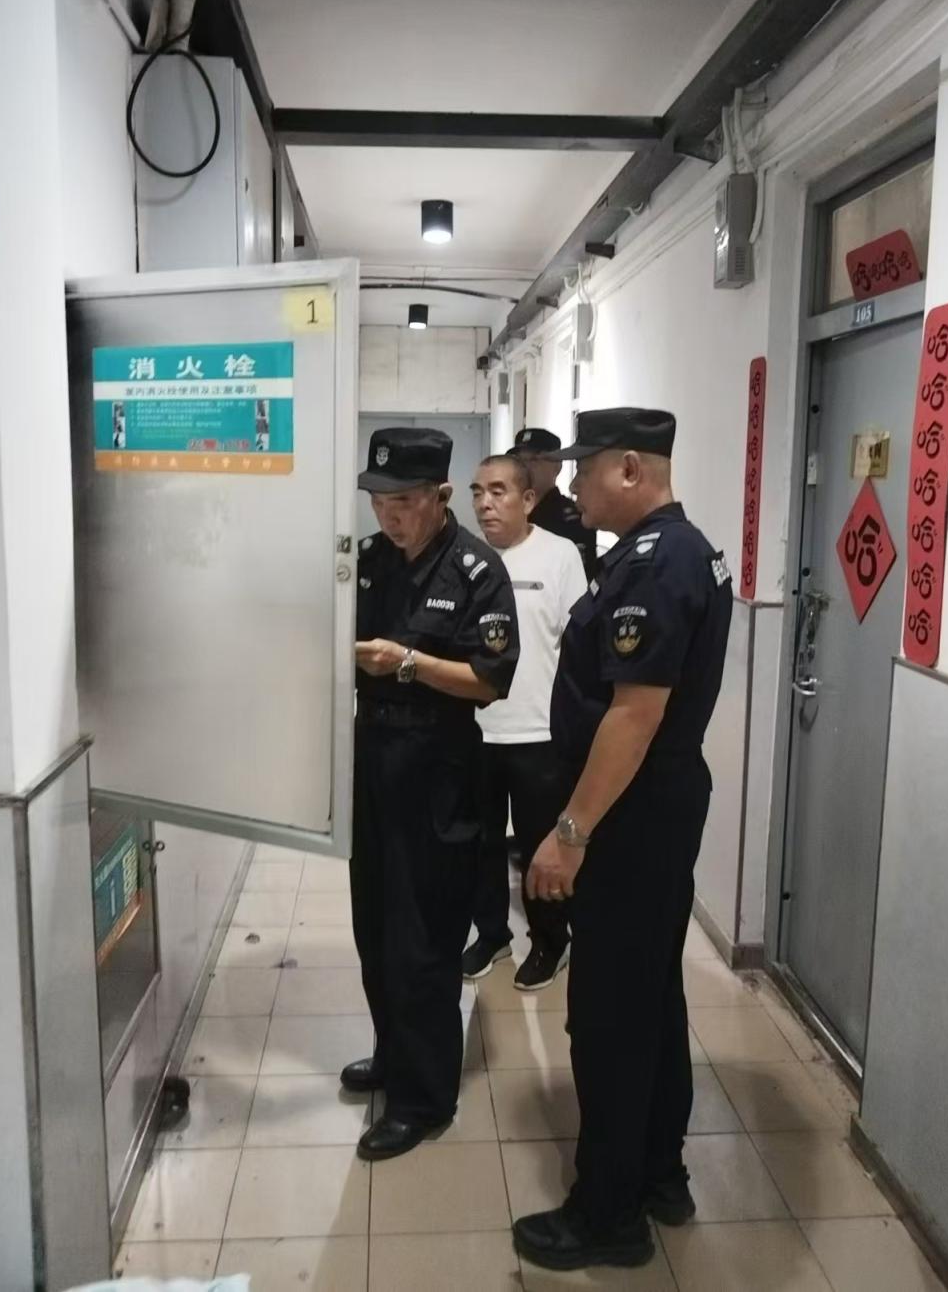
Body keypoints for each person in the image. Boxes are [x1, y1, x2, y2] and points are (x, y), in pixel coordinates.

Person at [511, 407, 733, 1272]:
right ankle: (660, 1172)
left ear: (632, 468)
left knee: (608, 1013)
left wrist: (569, 833)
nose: (571, 484)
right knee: (652, 997)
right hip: (654, 809)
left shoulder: (656, 562)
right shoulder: (675, 551)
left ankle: (608, 1213)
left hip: (629, 817)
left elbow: (633, 717)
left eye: (586, 467)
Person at [345, 426, 519, 1161]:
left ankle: (424, 1098)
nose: (390, 516)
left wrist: (408, 663)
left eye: (405, 502)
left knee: (424, 937)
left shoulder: (477, 569)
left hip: (440, 764)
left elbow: (490, 680)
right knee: (375, 925)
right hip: (372, 757)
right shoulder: (366, 562)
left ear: (442, 495)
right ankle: (394, 1054)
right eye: (379, 501)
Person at [462, 454, 587, 990]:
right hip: (477, 730)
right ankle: (491, 935)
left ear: (528, 499)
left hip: (540, 733)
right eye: (477, 492)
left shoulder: (560, 556)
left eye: (498, 491)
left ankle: (551, 941)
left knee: (541, 846)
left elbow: (579, 648)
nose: (485, 504)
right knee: (480, 842)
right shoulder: (466, 558)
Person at [510, 427, 598, 577]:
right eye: (520, 461)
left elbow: (581, 575)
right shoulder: (511, 511)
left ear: (557, 466)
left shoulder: (572, 518)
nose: (525, 467)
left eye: (534, 460)